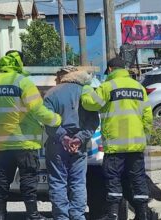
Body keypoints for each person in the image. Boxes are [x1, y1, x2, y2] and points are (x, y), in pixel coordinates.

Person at [0, 50, 62, 220]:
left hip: (4, 144)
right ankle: (32, 215)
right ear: (19, 63)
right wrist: (55, 120)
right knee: (28, 179)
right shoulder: (24, 83)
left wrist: (4, 126)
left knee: (2, 179)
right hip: (25, 143)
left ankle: (0, 215)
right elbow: (38, 110)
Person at [81, 57, 153, 220]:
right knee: (138, 178)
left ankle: (113, 214)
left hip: (115, 146)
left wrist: (85, 88)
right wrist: (145, 137)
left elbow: (90, 103)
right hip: (136, 144)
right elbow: (148, 116)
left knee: (113, 179)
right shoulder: (138, 88)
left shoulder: (107, 87)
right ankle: (143, 214)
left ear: (111, 70)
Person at [43, 67, 99, 220]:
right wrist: (79, 138)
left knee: (58, 182)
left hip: (57, 144)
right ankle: (77, 216)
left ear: (62, 77)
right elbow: (93, 121)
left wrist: (63, 137)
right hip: (79, 145)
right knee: (78, 182)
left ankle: (61, 217)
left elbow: (47, 121)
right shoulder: (86, 92)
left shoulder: (51, 94)